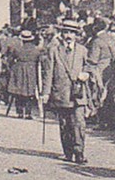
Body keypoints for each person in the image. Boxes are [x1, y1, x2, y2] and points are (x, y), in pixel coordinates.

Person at [39, 19, 94, 164]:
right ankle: (68, 152)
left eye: (71, 32)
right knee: (65, 124)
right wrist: (45, 93)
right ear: (61, 34)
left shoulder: (82, 50)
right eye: (66, 32)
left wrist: (86, 73)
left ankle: (79, 152)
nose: (68, 35)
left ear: (76, 35)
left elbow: (89, 66)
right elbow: (48, 72)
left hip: (78, 93)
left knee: (79, 123)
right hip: (61, 92)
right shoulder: (54, 50)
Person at [5, 28, 42, 119]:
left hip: (19, 70)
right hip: (31, 70)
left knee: (19, 92)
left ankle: (20, 112)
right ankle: (28, 113)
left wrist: (12, 68)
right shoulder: (36, 50)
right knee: (30, 92)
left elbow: (10, 60)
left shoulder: (17, 49)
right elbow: (39, 61)